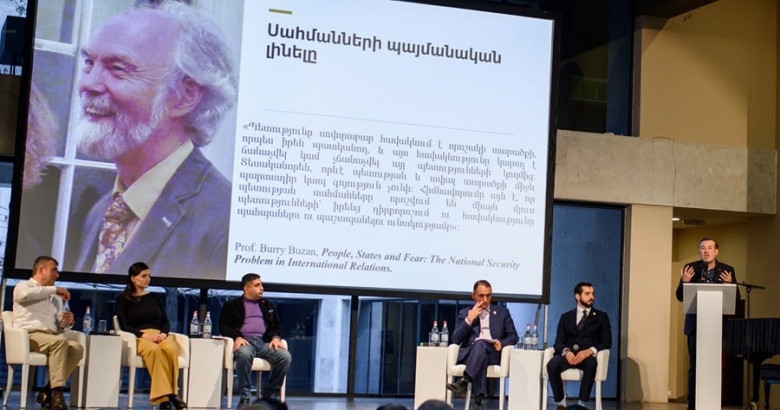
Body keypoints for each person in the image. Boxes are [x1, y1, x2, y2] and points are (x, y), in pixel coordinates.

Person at [69, 0, 237, 279]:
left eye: (118, 68)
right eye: (89, 63)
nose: (88, 84)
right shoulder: (102, 210)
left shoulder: (225, 225)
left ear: (184, 96)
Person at [12, 256, 84, 410]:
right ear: (41, 270)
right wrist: (55, 289)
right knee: (59, 342)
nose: (57, 275)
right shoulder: (23, 286)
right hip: (28, 336)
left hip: (50, 338)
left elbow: (60, 327)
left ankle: (47, 391)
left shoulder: (55, 297)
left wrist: (68, 322)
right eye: (54, 270)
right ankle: (57, 394)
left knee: (77, 348)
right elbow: (23, 296)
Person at [675, 237, 738, 410]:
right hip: (695, 326)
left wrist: (728, 285)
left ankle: (714, 403)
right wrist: (685, 282)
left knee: (716, 367)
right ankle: (692, 405)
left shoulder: (727, 270)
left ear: (716, 251)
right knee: (695, 367)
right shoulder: (691, 269)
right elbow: (680, 296)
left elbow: (736, 298)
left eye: (710, 247)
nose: (706, 251)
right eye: (703, 248)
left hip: (717, 327)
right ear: (699, 251)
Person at [115, 262, 186, 409]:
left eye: (149, 276)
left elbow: (165, 321)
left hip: (159, 335)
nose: (148, 279)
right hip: (138, 337)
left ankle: (166, 398)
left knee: (171, 348)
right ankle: (169, 396)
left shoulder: (154, 297)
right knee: (154, 351)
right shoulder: (123, 299)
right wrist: (144, 335)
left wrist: (163, 334)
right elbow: (124, 325)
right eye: (144, 276)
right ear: (133, 278)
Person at [219, 273, 291, 409]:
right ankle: (245, 397)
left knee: (285, 357)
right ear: (246, 288)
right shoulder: (232, 305)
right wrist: (237, 337)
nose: (262, 288)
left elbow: (277, 327)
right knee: (244, 354)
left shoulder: (268, 305)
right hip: (245, 341)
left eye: (261, 285)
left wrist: (276, 337)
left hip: (264, 343)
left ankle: (270, 394)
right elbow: (224, 326)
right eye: (257, 285)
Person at [445, 280, 518, 410]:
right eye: (481, 295)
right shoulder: (465, 313)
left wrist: (502, 343)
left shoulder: (503, 312)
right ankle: (478, 400)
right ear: (473, 296)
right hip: (471, 354)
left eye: (488, 295)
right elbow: (455, 339)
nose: (485, 299)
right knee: (480, 346)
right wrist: (469, 320)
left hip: (493, 353)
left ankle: (464, 382)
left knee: (481, 345)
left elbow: (513, 336)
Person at [546, 282, 611, 410]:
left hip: (587, 357)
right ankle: (561, 403)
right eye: (587, 294)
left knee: (591, 364)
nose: (591, 297)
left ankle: (581, 404)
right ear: (577, 296)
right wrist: (566, 352)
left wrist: (589, 351)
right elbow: (558, 342)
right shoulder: (566, 317)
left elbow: (607, 342)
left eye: (592, 294)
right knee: (552, 365)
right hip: (568, 356)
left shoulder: (601, 317)